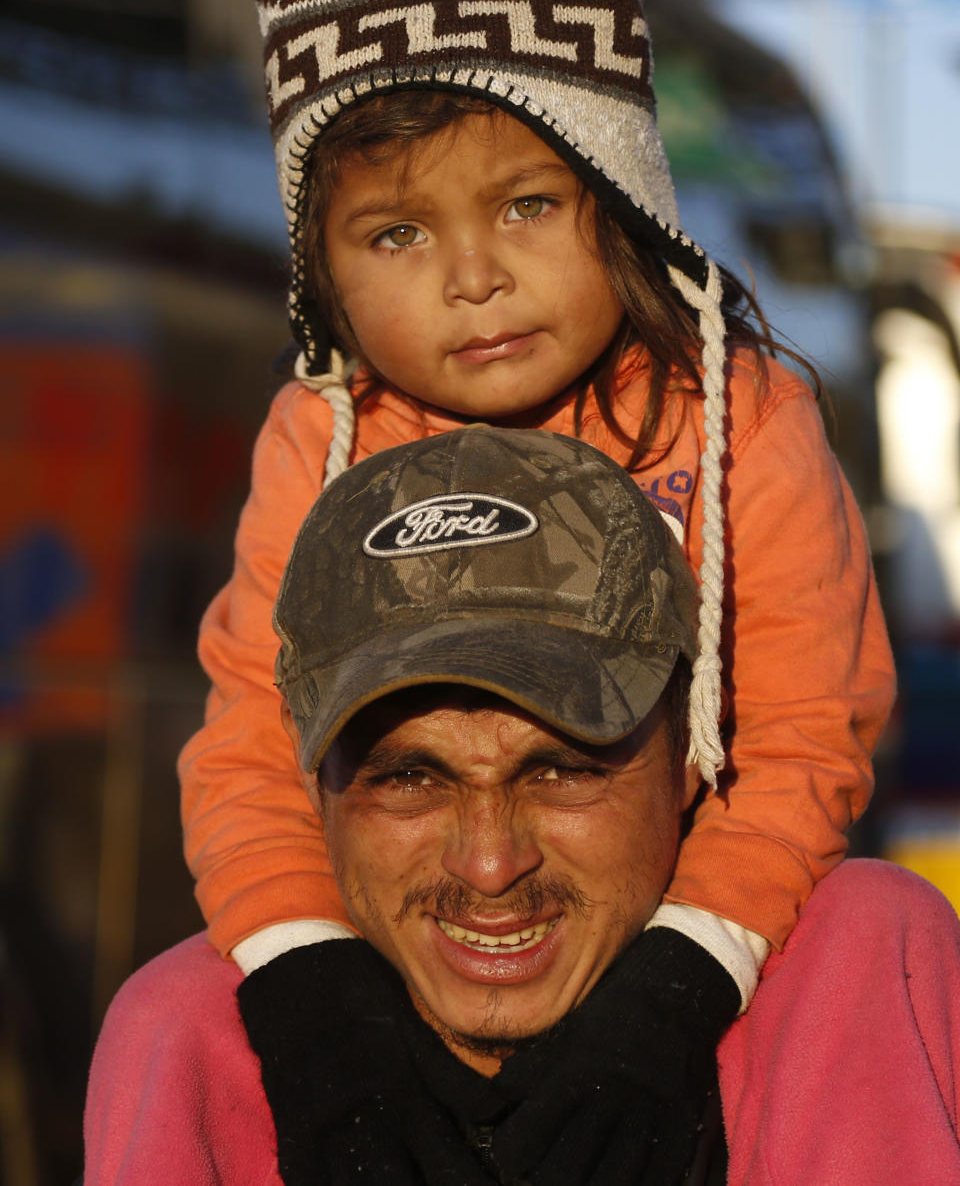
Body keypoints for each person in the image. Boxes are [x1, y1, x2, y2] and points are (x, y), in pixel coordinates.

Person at [180, 0, 894, 1096]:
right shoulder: (319, 439)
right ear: (320, 270)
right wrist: (312, 974)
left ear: (616, 194)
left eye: (526, 204)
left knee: (886, 931)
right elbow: (250, 744)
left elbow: (803, 732)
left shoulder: (743, 417)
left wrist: (688, 965)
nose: (473, 278)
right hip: (420, 945)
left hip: (693, 946)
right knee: (172, 1010)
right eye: (397, 233)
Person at [84, 428, 960, 1185]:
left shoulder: (851, 985)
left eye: (562, 772)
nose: (491, 865)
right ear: (314, 785)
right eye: (409, 780)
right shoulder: (198, 1041)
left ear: (693, 753)